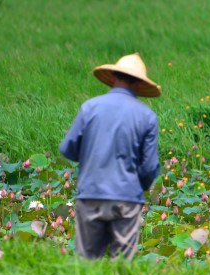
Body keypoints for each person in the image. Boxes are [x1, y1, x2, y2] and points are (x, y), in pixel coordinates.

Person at [59, 53, 161, 260]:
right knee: (122, 263)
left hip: (91, 194)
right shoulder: (147, 117)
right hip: (127, 197)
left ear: (114, 77)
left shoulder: (90, 107)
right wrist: (137, 186)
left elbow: (67, 148)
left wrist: (91, 158)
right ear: (140, 84)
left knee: (87, 261)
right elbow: (150, 167)